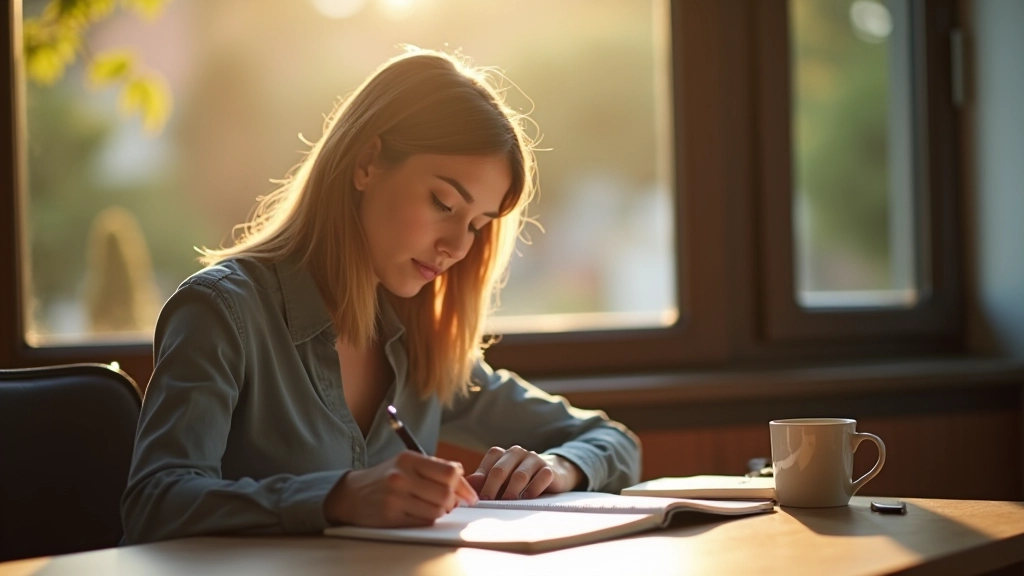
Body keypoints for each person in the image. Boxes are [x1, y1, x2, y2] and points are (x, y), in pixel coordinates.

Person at [120, 48, 641, 544]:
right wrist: (336, 496)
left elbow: (615, 442)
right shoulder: (222, 311)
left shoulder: (422, 343)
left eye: (478, 225)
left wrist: (558, 467)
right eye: (443, 203)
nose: (459, 246)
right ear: (367, 162)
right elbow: (156, 503)